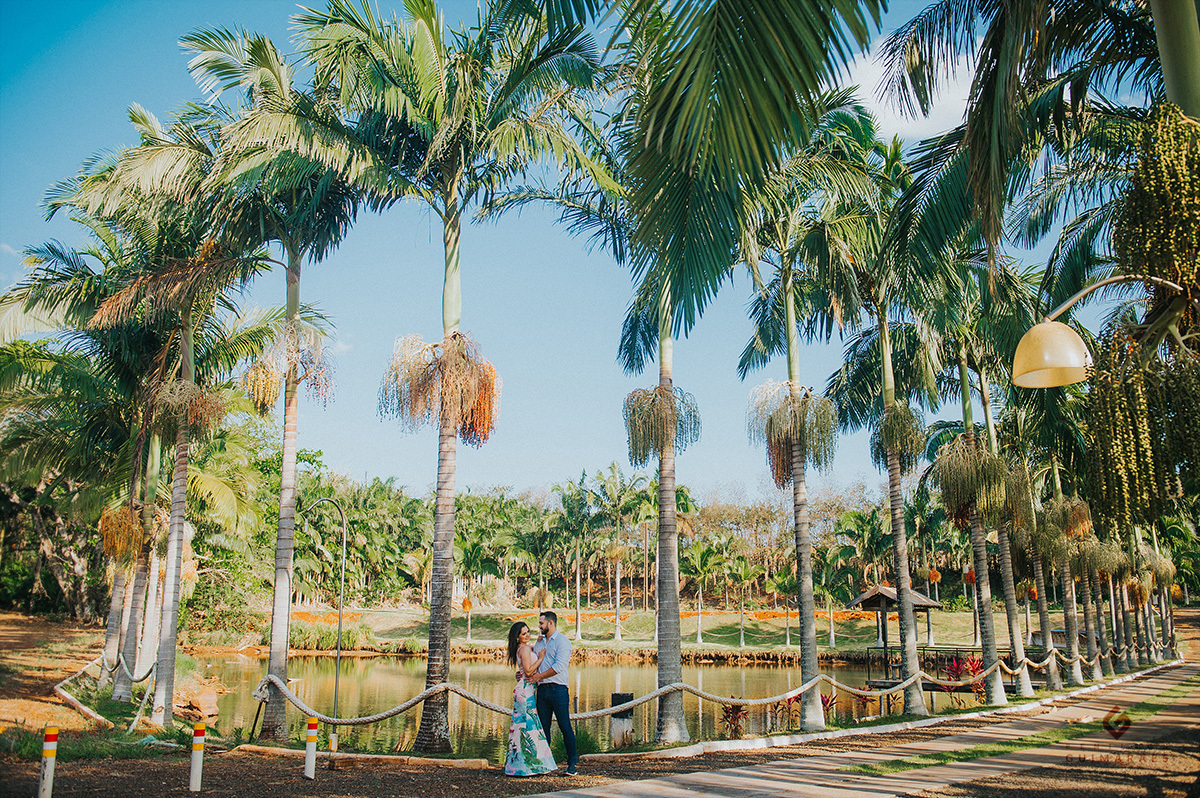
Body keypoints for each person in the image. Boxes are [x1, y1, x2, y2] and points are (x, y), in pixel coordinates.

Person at [504, 621, 557, 777]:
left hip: (525, 690)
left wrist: (538, 644)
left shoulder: (525, 648)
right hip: (525, 692)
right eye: (523, 633)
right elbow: (527, 671)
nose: (527, 635)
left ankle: (523, 766)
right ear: (517, 637)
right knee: (527, 728)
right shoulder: (525, 649)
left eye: (528, 632)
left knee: (524, 728)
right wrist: (540, 658)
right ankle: (527, 767)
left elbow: (524, 666)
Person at [530, 610, 577, 776]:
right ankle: (544, 763)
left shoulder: (563, 642)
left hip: (558, 690)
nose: (539, 626)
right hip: (542, 690)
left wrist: (539, 676)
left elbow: (559, 667)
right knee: (543, 729)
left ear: (550, 623)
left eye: (541, 623)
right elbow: (534, 662)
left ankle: (572, 764)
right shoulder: (540, 643)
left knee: (565, 726)